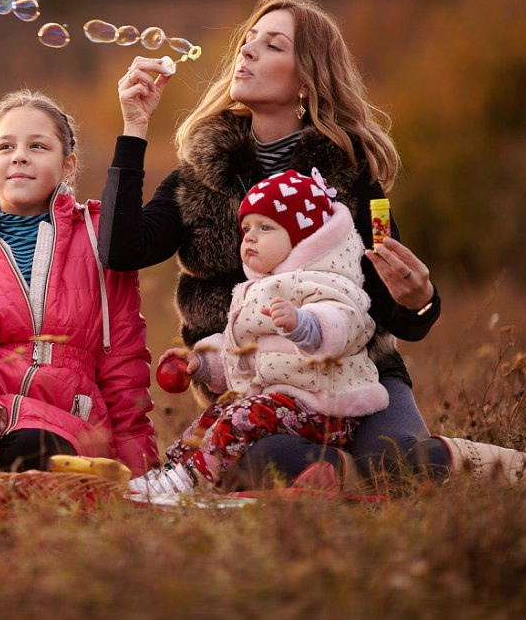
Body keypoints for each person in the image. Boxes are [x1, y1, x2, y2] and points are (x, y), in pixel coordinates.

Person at [104, 0, 526, 488]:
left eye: (273, 45)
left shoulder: (354, 179)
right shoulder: (198, 179)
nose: (248, 51)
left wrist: (419, 301)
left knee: (399, 463)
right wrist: (134, 127)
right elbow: (121, 252)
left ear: (308, 81)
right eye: (248, 41)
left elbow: (398, 316)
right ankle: (340, 476)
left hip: (359, 378)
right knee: (275, 460)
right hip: (258, 390)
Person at [0, 89, 158, 475]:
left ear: (68, 165)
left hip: (74, 432)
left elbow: (124, 364)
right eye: (5, 147)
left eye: (38, 146)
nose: (19, 155)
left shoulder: (102, 240)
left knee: (39, 450)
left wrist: (141, 470)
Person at [128, 168, 388, 499]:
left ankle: (192, 479)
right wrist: (203, 363)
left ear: (302, 239)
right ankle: (175, 471)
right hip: (281, 404)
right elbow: (241, 351)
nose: (250, 237)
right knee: (218, 412)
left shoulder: (327, 279)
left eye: (265, 228)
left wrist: (304, 324)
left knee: (243, 414)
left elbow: (343, 322)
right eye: (247, 228)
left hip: (325, 407)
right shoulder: (253, 290)